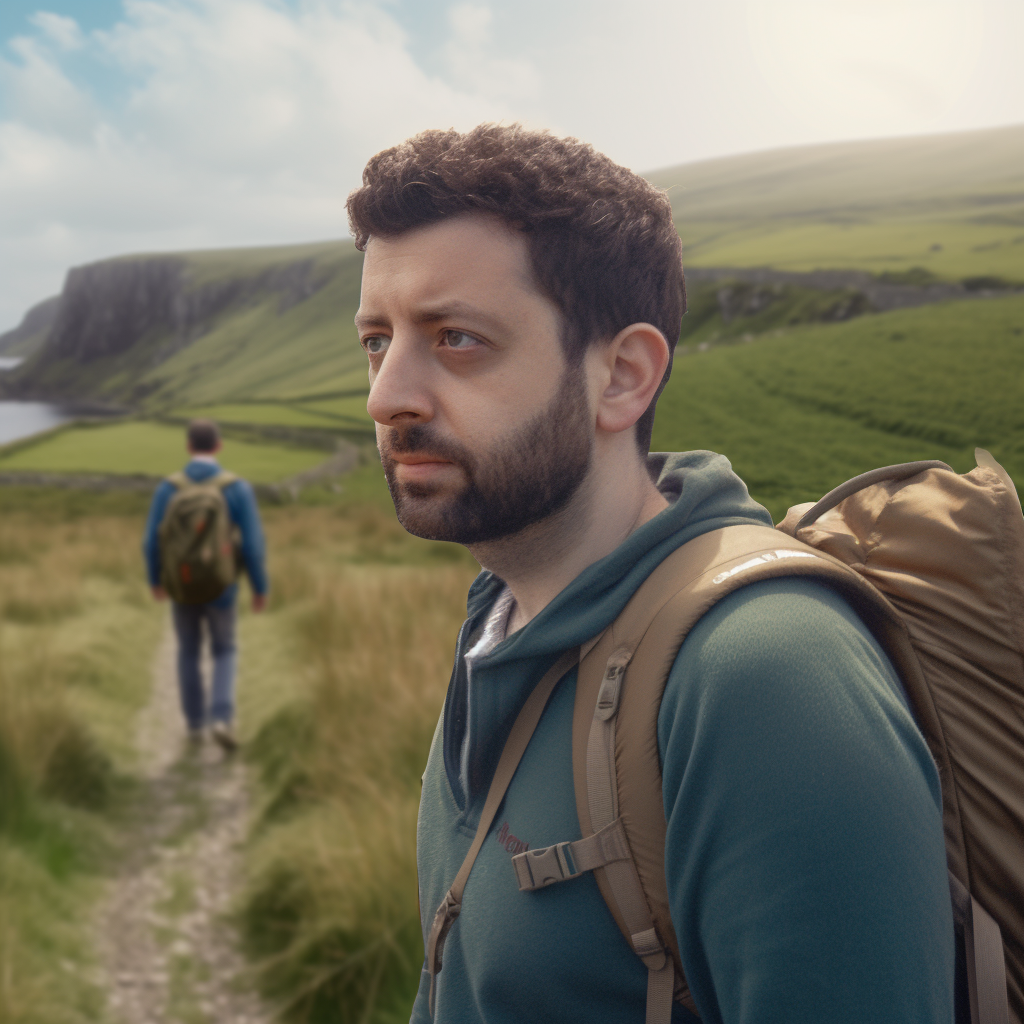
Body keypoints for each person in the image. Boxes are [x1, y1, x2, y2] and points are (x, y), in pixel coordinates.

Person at [347, 124, 954, 1023]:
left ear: (623, 376)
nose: (386, 394)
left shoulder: (763, 675)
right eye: (376, 339)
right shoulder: (502, 619)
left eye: (457, 338)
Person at [143, 418, 268, 751]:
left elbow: (151, 542)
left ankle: (195, 725)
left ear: (189, 447)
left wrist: (156, 580)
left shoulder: (168, 488)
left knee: (187, 650)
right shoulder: (235, 487)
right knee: (224, 649)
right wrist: (259, 587)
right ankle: (221, 718)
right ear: (218, 446)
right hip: (222, 585)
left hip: (181, 584)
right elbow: (254, 544)